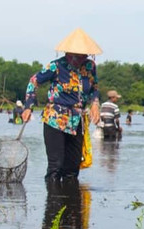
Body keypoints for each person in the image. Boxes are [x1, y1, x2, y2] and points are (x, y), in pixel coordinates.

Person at [22, 29, 102, 181]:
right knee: (56, 166)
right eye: (76, 56)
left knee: (72, 168)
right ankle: (52, 202)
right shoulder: (56, 67)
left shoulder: (90, 67)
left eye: (83, 55)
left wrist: (95, 104)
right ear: (68, 53)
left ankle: (71, 203)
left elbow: (94, 88)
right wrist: (28, 107)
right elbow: (34, 81)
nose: (80, 59)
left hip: (77, 121)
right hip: (55, 119)